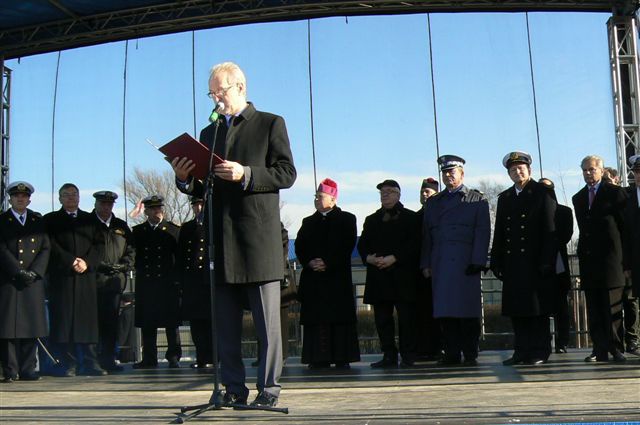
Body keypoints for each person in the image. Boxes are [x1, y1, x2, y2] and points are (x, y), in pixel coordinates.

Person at [171, 61, 296, 407]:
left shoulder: (271, 123)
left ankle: (269, 390)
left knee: (266, 326)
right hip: (220, 240)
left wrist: (246, 173)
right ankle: (232, 388)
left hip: (257, 240)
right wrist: (184, 178)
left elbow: (286, 173)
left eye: (220, 91)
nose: (215, 98)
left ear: (240, 86)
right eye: (211, 93)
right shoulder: (209, 134)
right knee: (224, 325)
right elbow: (200, 187)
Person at [421, 155, 490, 366]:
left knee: (468, 311)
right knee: (446, 311)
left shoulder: (477, 200)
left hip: (465, 263)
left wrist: (478, 260)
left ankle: (470, 352)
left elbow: (483, 231)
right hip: (441, 263)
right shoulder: (433, 203)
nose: (448, 175)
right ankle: (450, 352)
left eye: (452, 172)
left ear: (462, 173)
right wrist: (426, 263)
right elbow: (427, 236)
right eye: (445, 172)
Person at [491, 152, 556, 366]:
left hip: (535, 263)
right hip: (513, 264)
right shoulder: (505, 197)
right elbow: (500, 231)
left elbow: (549, 230)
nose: (517, 172)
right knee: (517, 310)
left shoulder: (541, 192)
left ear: (529, 170)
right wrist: (496, 260)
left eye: (521, 168)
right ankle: (521, 351)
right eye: (512, 169)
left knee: (537, 311)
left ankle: (540, 351)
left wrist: (547, 260)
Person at [295, 178, 360, 369]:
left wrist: (328, 262)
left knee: (339, 322)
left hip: (336, 279)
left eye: (320, 196)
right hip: (314, 280)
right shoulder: (308, 222)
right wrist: (310, 262)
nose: (316, 200)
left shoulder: (347, 219)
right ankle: (317, 358)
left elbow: (347, 245)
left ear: (333, 199)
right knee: (317, 321)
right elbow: (300, 247)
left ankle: (341, 357)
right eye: (315, 196)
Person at [44, 183, 106, 376]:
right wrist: (71, 261)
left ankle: (90, 362)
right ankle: (67, 363)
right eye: (66, 195)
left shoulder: (90, 220)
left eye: (74, 195)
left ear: (79, 198)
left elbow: (99, 245)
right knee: (63, 322)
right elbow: (50, 245)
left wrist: (86, 262)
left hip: (86, 279)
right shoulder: (51, 220)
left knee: (86, 322)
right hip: (62, 278)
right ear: (60, 198)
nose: (71, 198)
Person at [358, 179, 419, 368]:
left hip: (403, 276)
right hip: (379, 276)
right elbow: (362, 244)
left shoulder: (411, 217)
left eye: (390, 191)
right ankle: (388, 355)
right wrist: (368, 258)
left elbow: (415, 244)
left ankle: (408, 355)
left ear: (399, 194)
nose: (385, 195)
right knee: (382, 319)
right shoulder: (372, 219)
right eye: (382, 192)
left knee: (406, 319)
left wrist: (395, 257)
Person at [572, 155, 628, 362]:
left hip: (612, 260)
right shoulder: (578, 198)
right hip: (589, 261)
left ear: (602, 170)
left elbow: (625, 228)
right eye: (585, 169)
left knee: (611, 307)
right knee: (594, 308)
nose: (588, 173)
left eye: (592, 169)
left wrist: (627, 261)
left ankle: (615, 348)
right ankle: (599, 349)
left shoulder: (615, 193)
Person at [0, 182, 50, 382]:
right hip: (10, 281)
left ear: (29, 199)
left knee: (32, 326)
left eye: (24, 196)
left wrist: (35, 272)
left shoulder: (38, 220)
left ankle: (29, 368)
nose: (20, 199)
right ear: (10, 199)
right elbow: (1, 249)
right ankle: (10, 370)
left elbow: (45, 247)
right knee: (8, 329)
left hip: (32, 281)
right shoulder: (2, 221)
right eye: (16, 196)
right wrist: (18, 271)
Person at [131, 195, 182, 369]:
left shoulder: (173, 230)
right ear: (146, 211)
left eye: (159, 208)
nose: (157, 211)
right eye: (153, 209)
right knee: (148, 323)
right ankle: (149, 358)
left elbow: (178, 256)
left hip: (168, 283)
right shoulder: (138, 232)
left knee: (171, 322)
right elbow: (133, 255)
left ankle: (174, 356)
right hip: (147, 283)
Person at [91, 190, 135, 372]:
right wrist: (99, 264)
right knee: (93, 324)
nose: (106, 207)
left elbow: (131, 250)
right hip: (93, 280)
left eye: (109, 204)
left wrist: (124, 266)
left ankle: (109, 360)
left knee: (111, 324)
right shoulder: (88, 223)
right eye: (103, 203)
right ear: (96, 204)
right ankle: (92, 362)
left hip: (115, 282)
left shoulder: (121, 226)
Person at [177, 196, 213, 370]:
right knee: (197, 325)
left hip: (210, 281)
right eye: (195, 204)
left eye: (201, 204)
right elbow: (181, 255)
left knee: (213, 323)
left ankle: (215, 357)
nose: (199, 208)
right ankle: (201, 357)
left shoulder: (214, 224)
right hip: (193, 281)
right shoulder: (187, 228)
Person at [539, 177, 574, 354]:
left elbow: (565, 235)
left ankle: (562, 341)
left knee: (561, 307)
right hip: (538, 265)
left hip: (558, 263)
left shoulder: (565, 212)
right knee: (541, 307)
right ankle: (544, 341)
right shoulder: (533, 212)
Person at [415, 177, 442, 361]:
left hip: (439, 269)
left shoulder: (442, 215)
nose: (425, 195)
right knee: (422, 313)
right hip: (419, 272)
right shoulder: (414, 217)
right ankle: (424, 347)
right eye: (423, 192)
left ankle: (440, 347)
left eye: (429, 192)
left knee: (440, 312)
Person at [623, 154, 640, 357]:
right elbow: (624, 234)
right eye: (637, 172)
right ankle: (634, 341)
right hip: (635, 260)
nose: (639, 175)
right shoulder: (626, 197)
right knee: (634, 302)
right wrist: (626, 264)